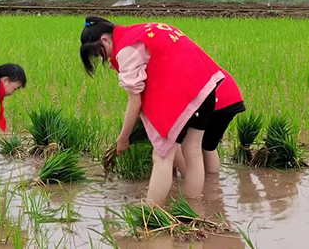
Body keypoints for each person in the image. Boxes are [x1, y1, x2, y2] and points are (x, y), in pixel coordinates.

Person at [80, 16, 225, 205]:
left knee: (162, 155)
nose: (105, 59)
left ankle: (150, 214)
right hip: (205, 86)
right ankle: (194, 211)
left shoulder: (126, 48)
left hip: (186, 92)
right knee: (193, 152)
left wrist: (123, 138)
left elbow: (135, 101)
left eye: (100, 54)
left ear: (104, 40)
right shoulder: (138, 31)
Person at [174, 70, 245, 176]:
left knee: (180, 143)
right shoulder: (194, 57)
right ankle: (213, 184)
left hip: (214, 98)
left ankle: (190, 180)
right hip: (231, 97)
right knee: (209, 146)